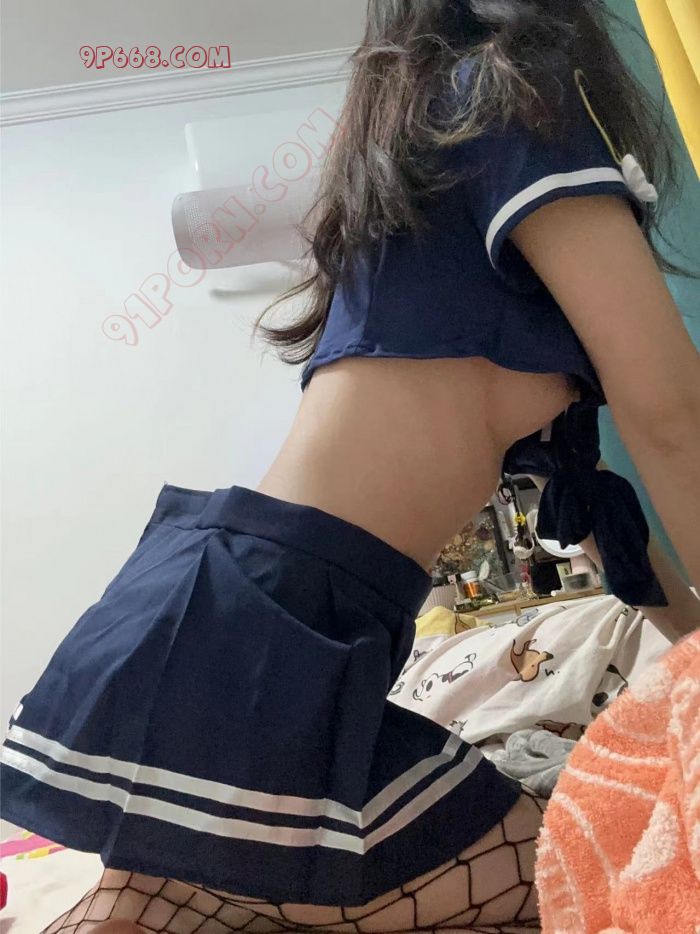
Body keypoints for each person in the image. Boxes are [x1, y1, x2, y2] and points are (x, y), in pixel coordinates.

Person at [2, 2, 699, 931]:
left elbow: (613, 529)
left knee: (159, 904)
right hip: (274, 629)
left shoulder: (425, 221)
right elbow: (672, 417)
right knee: (588, 865)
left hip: (232, 614)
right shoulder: (512, 92)